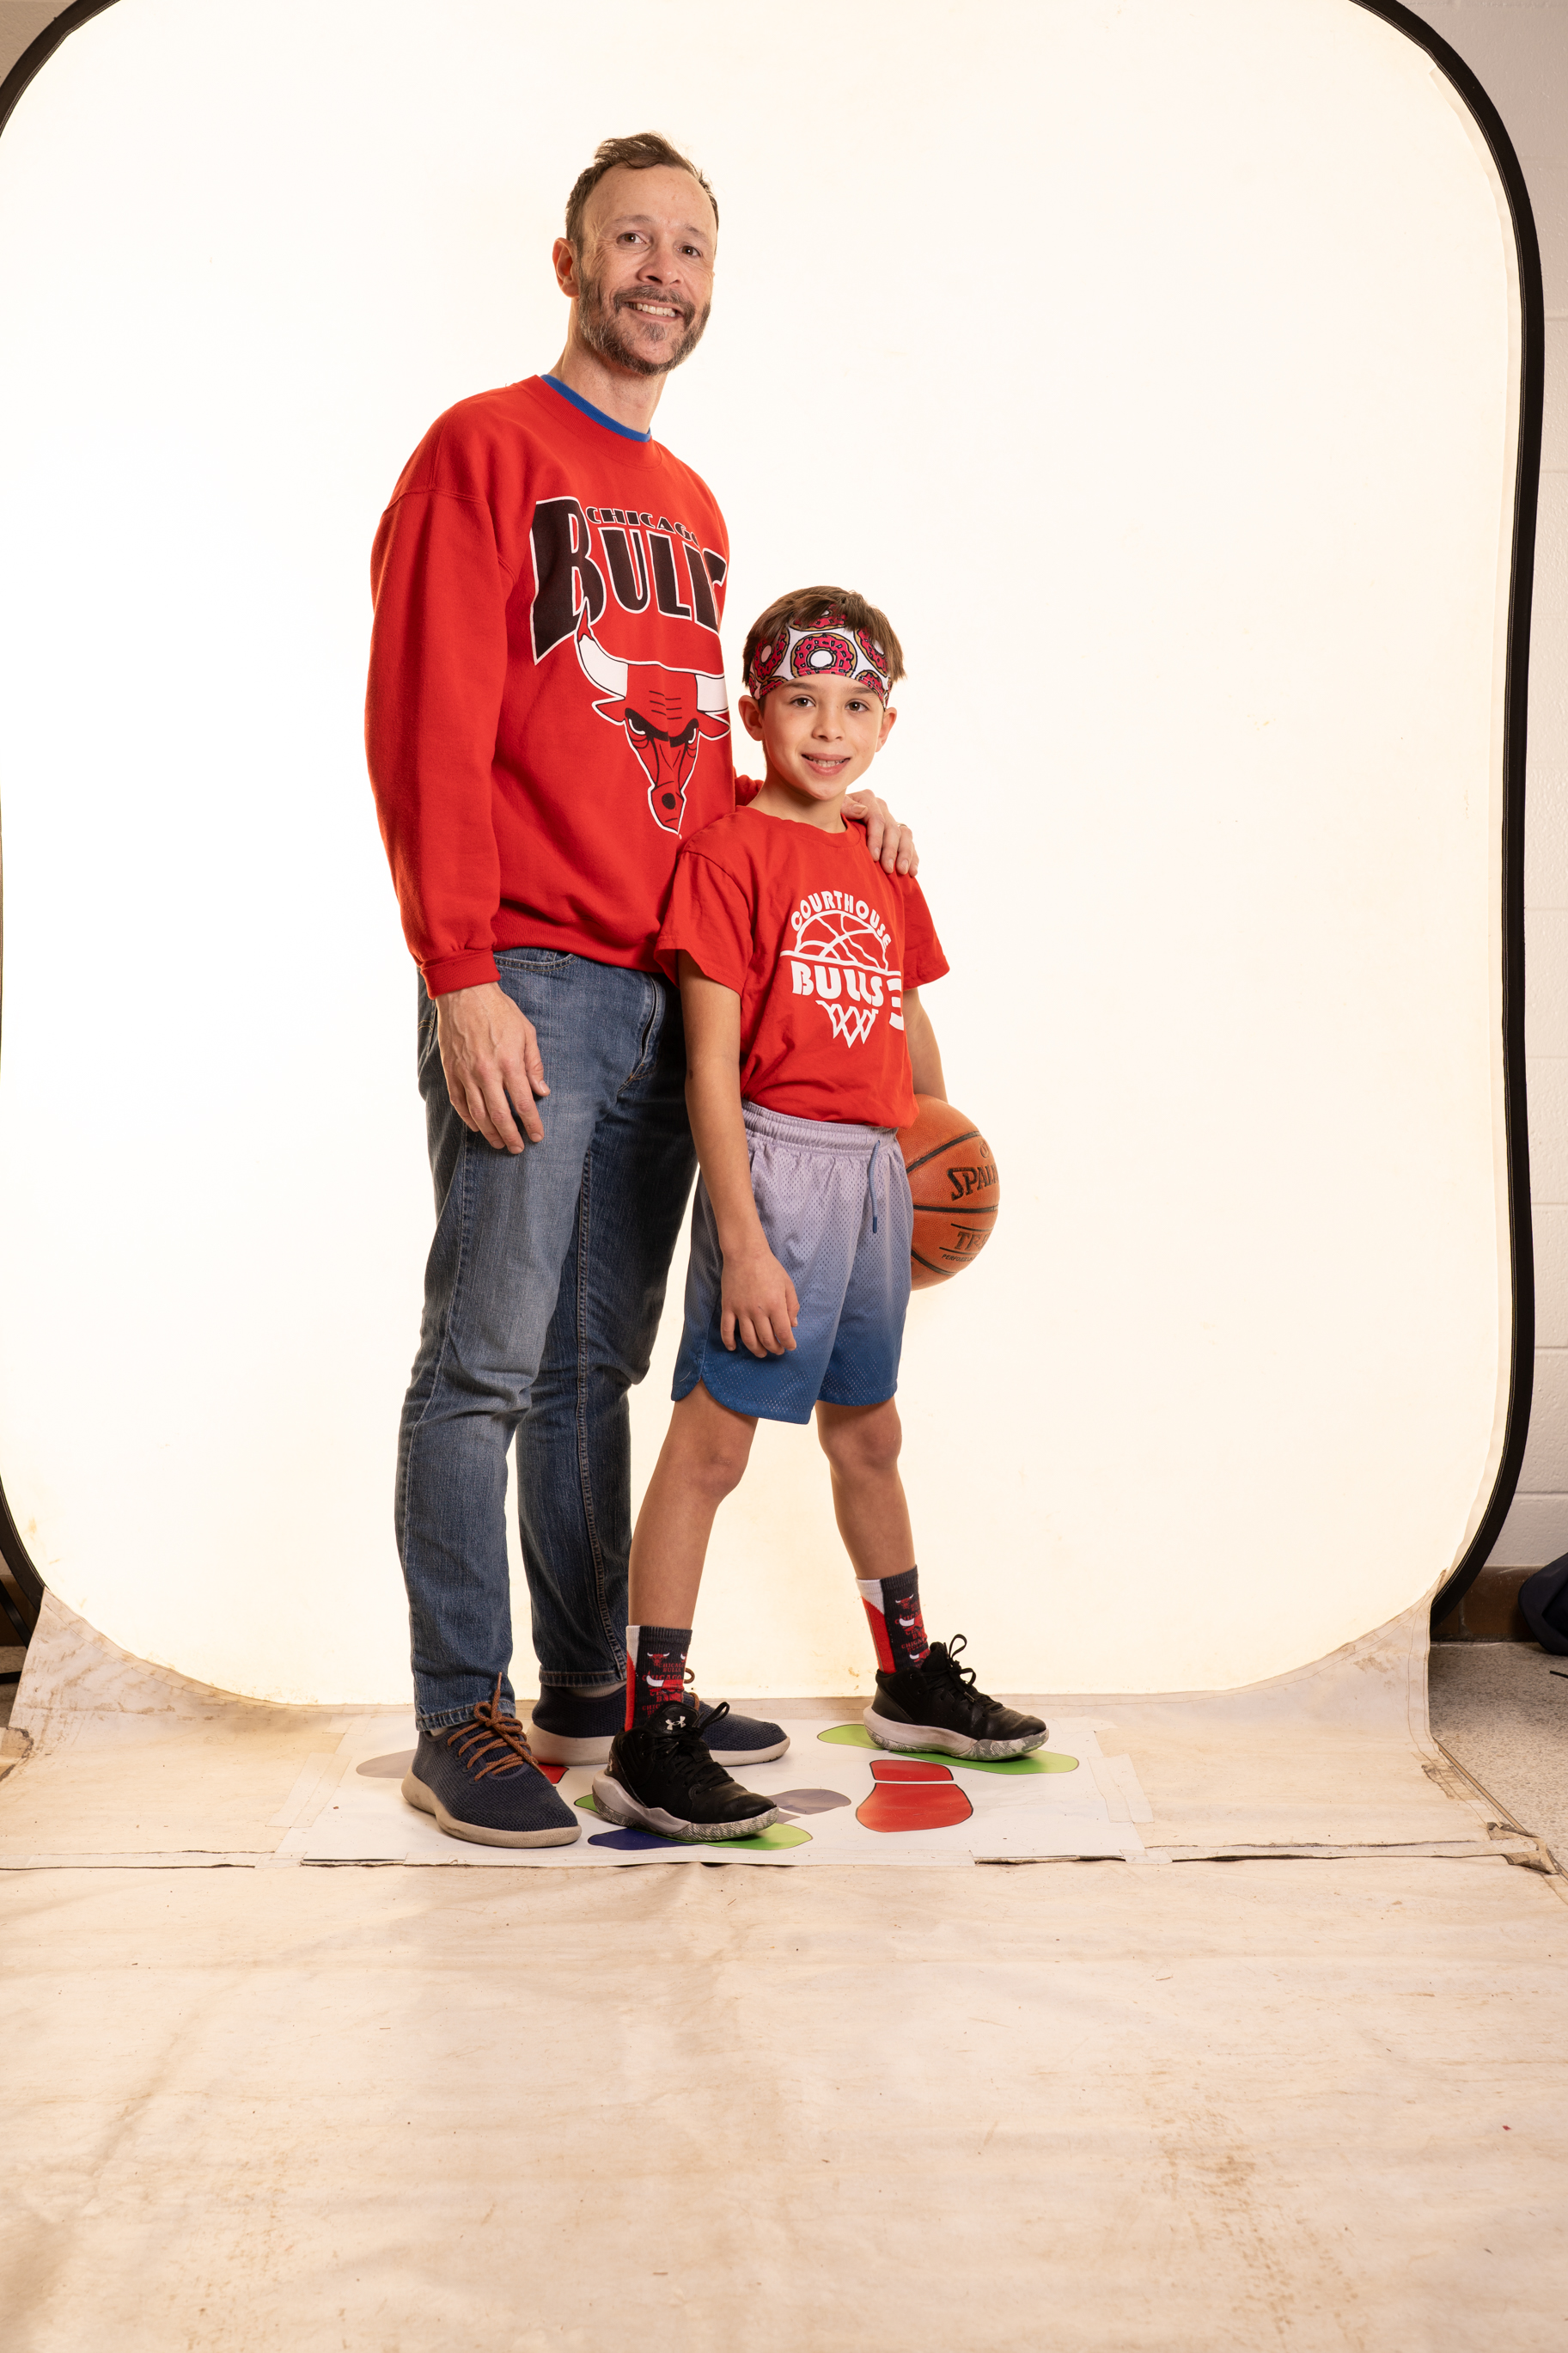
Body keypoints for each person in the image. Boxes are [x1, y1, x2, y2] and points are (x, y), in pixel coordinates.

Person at [364, 134, 917, 1849]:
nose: (660, 270)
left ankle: (591, 1693)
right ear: (569, 263)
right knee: (484, 1359)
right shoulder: (482, 450)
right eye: (631, 239)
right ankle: (457, 1710)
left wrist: (820, 811)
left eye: (688, 246)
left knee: (588, 1372)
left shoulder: (693, 510)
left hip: (668, 987)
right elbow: (426, 721)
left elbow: (674, 765)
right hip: (529, 971)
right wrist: (460, 971)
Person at [591, 589, 1046, 1843]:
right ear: (755, 711)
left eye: (855, 705)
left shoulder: (880, 856)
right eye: (801, 699)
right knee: (713, 1447)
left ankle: (907, 1678)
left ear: (888, 723)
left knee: (869, 1434)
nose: (828, 727)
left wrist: (937, 1150)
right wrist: (743, 1240)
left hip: (877, 1171)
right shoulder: (727, 853)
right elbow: (707, 1066)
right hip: (779, 1165)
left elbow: (907, 1016)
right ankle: (648, 1727)